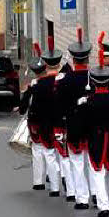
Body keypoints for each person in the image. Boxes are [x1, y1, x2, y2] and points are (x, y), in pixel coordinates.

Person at [74, 46, 109, 217]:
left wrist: (81, 139)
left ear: (94, 82)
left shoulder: (86, 102)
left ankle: (103, 204)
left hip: (95, 138)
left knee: (97, 171)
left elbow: (83, 124)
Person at [56, 28, 92, 208]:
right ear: (87, 57)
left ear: (72, 58)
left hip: (74, 125)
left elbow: (60, 107)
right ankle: (96, 193)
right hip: (94, 126)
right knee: (93, 164)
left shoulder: (64, 80)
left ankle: (82, 198)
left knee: (77, 163)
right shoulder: (97, 77)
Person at [35, 36, 66, 197]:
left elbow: (36, 109)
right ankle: (67, 181)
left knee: (50, 155)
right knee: (65, 155)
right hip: (63, 124)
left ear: (45, 65)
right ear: (59, 64)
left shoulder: (39, 86)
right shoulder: (65, 81)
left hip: (46, 125)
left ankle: (55, 188)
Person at [18, 42, 48, 191]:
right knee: (52, 152)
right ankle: (55, 183)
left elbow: (23, 107)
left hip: (36, 122)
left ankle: (38, 181)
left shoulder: (33, 87)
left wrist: (21, 110)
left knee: (37, 151)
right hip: (52, 122)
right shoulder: (54, 84)